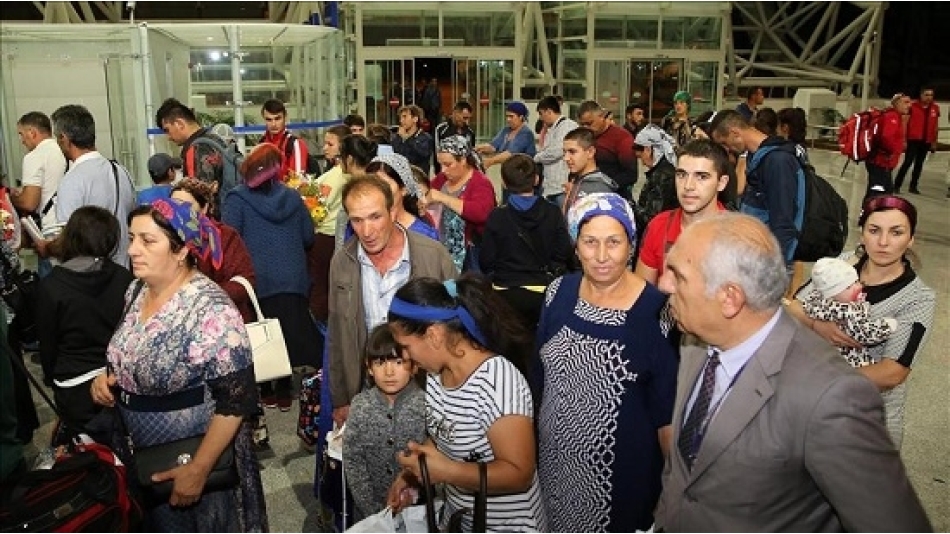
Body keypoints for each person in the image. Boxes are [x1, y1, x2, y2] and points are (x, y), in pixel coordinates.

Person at [655, 212, 931, 532]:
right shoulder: (694, 341)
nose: (664, 284)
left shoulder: (832, 399)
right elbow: (682, 470)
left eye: (678, 275)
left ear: (729, 298)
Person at [90, 199, 268, 532]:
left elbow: (236, 401)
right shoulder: (136, 291)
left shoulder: (210, 308)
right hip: (141, 458)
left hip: (189, 460)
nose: (132, 250)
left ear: (182, 250)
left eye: (147, 240)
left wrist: (199, 468)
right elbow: (130, 350)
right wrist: (108, 379)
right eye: (131, 238)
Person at [534, 192, 677, 532]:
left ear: (631, 244)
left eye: (613, 242)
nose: (601, 256)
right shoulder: (557, 294)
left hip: (622, 485)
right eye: (590, 242)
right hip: (554, 473)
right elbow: (539, 382)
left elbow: (667, 416)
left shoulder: (658, 312)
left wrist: (674, 492)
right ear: (575, 245)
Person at [386, 275, 547, 532]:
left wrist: (447, 472)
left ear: (434, 335)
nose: (406, 358)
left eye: (406, 346)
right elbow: (445, 434)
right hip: (464, 520)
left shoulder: (498, 381)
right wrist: (415, 472)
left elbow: (519, 473)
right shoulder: (437, 374)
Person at [788, 195, 935, 448]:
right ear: (862, 233)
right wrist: (818, 326)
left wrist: (822, 385)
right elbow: (793, 306)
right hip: (809, 412)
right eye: (874, 230)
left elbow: (892, 373)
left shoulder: (918, 298)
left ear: (911, 239)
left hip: (864, 421)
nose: (883, 242)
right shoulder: (843, 264)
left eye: (897, 232)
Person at [328, 175, 456, 426]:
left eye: (375, 217)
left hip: (426, 391)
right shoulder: (342, 262)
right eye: (357, 220)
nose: (367, 231)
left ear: (393, 211)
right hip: (367, 392)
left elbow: (456, 328)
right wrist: (341, 397)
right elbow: (337, 333)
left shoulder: (433, 255)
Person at [222, 144, 321, 412]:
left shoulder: (236, 199)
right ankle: (286, 391)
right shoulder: (293, 197)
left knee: (262, 332)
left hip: (258, 278)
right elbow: (307, 236)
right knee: (288, 329)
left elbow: (230, 239)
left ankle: (266, 390)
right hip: (292, 275)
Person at [36, 206, 133, 445]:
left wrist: (51, 379)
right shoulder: (124, 277)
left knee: (84, 446)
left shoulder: (51, 287)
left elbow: (48, 346)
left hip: (72, 384)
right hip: (115, 378)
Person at [480, 155, 573, 336]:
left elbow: (486, 260)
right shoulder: (553, 212)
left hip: (504, 292)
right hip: (542, 291)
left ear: (504, 183)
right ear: (536, 179)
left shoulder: (497, 216)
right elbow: (563, 251)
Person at [343, 324, 426, 523]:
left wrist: (414, 495)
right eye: (380, 363)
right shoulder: (361, 405)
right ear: (369, 367)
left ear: (414, 366)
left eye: (398, 362)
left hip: (420, 509)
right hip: (371, 511)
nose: (389, 372)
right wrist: (372, 510)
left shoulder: (426, 404)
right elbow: (354, 461)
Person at [711, 109, 800, 274]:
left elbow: (783, 219)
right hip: (758, 256)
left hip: (772, 264)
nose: (728, 149)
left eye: (725, 143)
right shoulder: (757, 158)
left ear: (735, 133)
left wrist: (777, 269)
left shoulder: (778, 161)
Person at [48, 104, 136, 266]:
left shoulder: (72, 180)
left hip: (91, 277)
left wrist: (46, 248)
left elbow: (68, 242)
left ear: (64, 138)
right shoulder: (120, 171)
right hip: (122, 272)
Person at [635, 139, 730, 286]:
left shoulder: (737, 236)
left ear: (721, 183)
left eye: (702, 177)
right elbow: (642, 294)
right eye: (682, 175)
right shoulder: (659, 226)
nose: (688, 186)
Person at [170, 178, 255, 323]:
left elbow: (245, 280)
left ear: (204, 208)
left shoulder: (225, 237)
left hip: (225, 321)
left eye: (186, 206)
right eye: (173, 205)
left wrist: (202, 296)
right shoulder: (166, 237)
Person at [799, 257, 897, 368]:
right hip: (847, 358)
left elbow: (798, 304)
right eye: (848, 287)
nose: (858, 287)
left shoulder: (817, 301)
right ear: (833, 293)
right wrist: (886, 326)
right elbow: (864, 333)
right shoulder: (847, 312)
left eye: (856, 282)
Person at [428, 136, 497, 272]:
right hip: (443, 251)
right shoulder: (441, 180)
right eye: (440, 164)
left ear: (463, 160)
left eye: (448, 164)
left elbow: (481, 213)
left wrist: (443, 198)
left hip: (470, 257)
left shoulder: (480, 183)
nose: (443, 170)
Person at [155, 97, 228, 218]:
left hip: (210, 225)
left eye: (167, 130)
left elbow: (197, 197)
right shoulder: (215, 140)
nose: (168, 137)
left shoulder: (195, 149)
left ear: (179, 123)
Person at [12, 112, 67, 241]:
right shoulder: (65, 151)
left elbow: (29, 203)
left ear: (32, 132)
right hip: (70, 226)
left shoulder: (34, 156)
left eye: (21, 134)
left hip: (51, 230)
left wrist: (10, 198)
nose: (22, 141)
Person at [364, 153, 438, 240]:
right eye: (371, 185)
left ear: (404, 189)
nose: (376, 191)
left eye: (385, 185)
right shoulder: (360, 223)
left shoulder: (423, 234)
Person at [576, 100, 637, 199]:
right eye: (582, 124)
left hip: (613, 195)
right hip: (584, 193)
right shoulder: (583, 136)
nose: (586, 128)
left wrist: (603, 186)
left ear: (601, 117)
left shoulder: (622, 137)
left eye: (589, 123)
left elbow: (631, 174)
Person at [863, 93, 911, 203]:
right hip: (881, 162)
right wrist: (892, 151)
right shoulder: (892, 117)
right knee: (879, 193)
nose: (909, 105)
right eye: (905, 102)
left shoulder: (894, 116)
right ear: (897, 104)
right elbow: (886, 137)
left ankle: (868, 213)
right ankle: (868, 215)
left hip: (882, 162)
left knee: (880, 192)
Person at [533, 96, 578, 208]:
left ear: (549, 111)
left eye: (541, 113)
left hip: (562, 187)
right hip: (551, 187)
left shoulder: (567, 126)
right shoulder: (553, 128)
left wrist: (536, 157)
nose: (540, 118)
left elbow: (557, 151)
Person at [895, 86, 941, 195]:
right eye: (926, 95)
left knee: (919, 164)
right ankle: (897, 185)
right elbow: (905, 123)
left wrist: (934, 141)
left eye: (931, 95)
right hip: (913, 139)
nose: (929, 97)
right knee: (907, 162)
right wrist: (904, 140)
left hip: (926, 140)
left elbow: (935, 125)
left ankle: (913, 186)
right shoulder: (912, 106)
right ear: (921, 95)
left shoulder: (935, 108)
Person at [561, 127, 618, 213]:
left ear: (590, 152)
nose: (566, 158)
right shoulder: (577, 181)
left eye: (572, 152)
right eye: (564, 152)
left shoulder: (600, 189)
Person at [635, 124, 680, 224]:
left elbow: (651, 217)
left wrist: (631, 207)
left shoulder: (663, 176)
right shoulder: (663, 171)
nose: (642, 162)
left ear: (648, 150)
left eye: (640, 156)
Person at [475, 101, 537, 170]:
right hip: (509, 171)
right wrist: (479, 148)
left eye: (511, 116)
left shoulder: (526, 133)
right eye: (507, 116)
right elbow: (493, 146)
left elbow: (510, 154)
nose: (508, 119)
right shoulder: (506, 130)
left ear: (521, 117)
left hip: (524, 172)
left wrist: (489, 161)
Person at [260, 98, 310, 179]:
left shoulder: (295, 144)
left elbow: (298, 181)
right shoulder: (261, 143)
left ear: (285, 117)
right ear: (264, 119)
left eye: (277, 118)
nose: (273, 124)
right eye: (269, 119)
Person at [434, 102, 476, 175]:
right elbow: (437, 152)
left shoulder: (470, 132)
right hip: (444, 172)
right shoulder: (441, 129)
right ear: (456, 113)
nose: (466, 121)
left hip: (463, 173)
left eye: (468, 118)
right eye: (464, 117)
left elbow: (470, 154)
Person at [391, 105, 433, 172]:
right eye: (400, 118)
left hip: (417, 178)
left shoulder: (425, 138)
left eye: (404, 117)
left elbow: (419, 156)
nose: (401, 121)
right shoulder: (397, 137)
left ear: (415, 119)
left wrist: (407, 138)